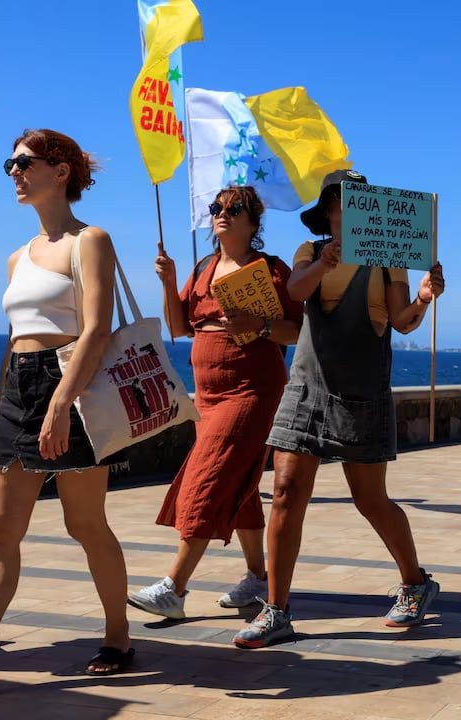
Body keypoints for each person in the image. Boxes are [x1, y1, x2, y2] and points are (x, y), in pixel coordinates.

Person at [231, 169, 445, 649]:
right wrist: (326, 262)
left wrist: (425, 300)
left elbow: (404, 322)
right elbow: (296, 292)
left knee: (370, 500)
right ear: (328, 211)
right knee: (285, 491)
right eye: (340, 202)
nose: (349, 209)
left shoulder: (389, 259)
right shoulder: (309, 254)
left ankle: (415, 581)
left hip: (362, 391)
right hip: (306, 388)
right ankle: (277, 610)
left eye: (357, 201)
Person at [0, 130, 135, 691]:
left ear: (60, 170)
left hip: (70, 387)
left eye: (24, 162)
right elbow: (18, 338)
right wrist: (2, 408)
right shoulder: (18, 255)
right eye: (9, 164)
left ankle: (118, 631)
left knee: (84, 523)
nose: (13, 172)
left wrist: (61, 402)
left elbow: (95, 329)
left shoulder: (89, 240)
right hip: (19, 388)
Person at [126, 186, 303, 619]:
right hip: (207, 392)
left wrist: (258, 324)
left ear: (254, 222)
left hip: (251, 390)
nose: (222, 214)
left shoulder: (272, 270)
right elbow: (178, 326)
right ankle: (258, 578)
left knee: (207, 478)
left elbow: (296, 331)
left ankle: (175, 587)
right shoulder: (205, 266)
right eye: (216, 208)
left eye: (234, 208)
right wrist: (169, 283)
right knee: (240, 484)